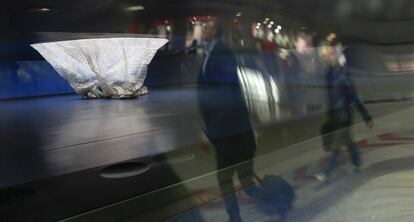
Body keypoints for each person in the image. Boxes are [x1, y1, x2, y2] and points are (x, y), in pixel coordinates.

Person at [197, 18, 258, 222]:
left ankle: (272, 200)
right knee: (239, 178)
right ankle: (238, 216)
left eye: (206, 26)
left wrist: (210, 131)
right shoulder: (211, 52)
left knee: (235, 180)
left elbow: (225, 95)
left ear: (215, 31)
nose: (202, 29)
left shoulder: (221, 52)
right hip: (230, 129)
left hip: (231, 130)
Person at [316, 45, 374, 183]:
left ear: (334, 55)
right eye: (324, 56)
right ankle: (357, 163)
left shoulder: (343, 73)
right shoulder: (328, 74)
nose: (327, 58)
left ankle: (326, 173)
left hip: (344, 115)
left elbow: (354, 96)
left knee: (336, 146)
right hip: (334, 116)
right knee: (348, 141)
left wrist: (367, 117)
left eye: (330, 54)